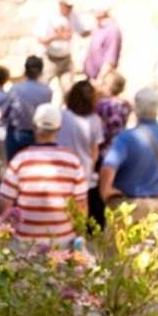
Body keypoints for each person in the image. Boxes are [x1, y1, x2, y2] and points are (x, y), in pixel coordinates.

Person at [0, 103, 88, 245]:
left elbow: (5, 200)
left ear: (34, 126)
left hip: (26, 243)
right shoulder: (73, 161)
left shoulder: (20, 159)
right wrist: (80, 236)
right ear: (58, 128)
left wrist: (6, 231)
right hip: (62, 242)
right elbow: (81, 205)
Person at [99, 88, 158, 221]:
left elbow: (108, 167)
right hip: (156, 204)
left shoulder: (126, 137)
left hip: (127, 206)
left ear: (136, 108)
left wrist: (106, 192)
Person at [57, 80, 105, 225]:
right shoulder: (95, 121)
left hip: (61, 170)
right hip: (84, 172)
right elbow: (94, 151)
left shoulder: (62, 115)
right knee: (82, 214)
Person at [35, 0, 89, 97]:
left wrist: (95, 29)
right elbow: (40, 39)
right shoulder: (48, 15)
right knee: (42, 89)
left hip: (66, 59)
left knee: (69, 91)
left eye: (71, 6)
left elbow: (82, 32)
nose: (70, 9)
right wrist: (56, 36)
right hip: (50, 59)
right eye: (67, 6)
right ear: (61, 4)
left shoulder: (73, 15)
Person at [5, 56, 53, 161]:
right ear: (41, 71)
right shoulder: (47, 91)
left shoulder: (16, 88)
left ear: (25, 70)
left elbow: (5, 112)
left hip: (16, 134)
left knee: (13, 163)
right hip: (36, 135)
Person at [83, 0, 122, 87]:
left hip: (100, 80)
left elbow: (110, 60)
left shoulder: (112, 31)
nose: (93, 12)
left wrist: (99, 80)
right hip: (90, 77)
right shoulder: (97, 26)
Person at [95, 72, 132, 161]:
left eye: (105, 84)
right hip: (117, 146)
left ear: (110, 88)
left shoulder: (102, 104)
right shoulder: (126, 105)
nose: (102, 86)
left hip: (103, 146)